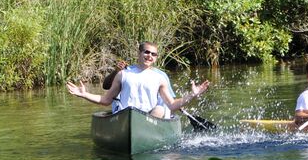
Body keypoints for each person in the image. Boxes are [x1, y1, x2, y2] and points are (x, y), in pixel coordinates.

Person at [67, 41, 209, 119]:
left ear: (156, 58)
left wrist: (193, 94)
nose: (149, 56)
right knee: (129, 113)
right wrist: (84, 95)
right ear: (139, 53)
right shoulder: (123, 74)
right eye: (146, 52)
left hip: (150, 118)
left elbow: (172, 105)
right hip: (127, 116)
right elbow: (106, 100)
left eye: (153, 54)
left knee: (160, 109)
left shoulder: (160, 77)